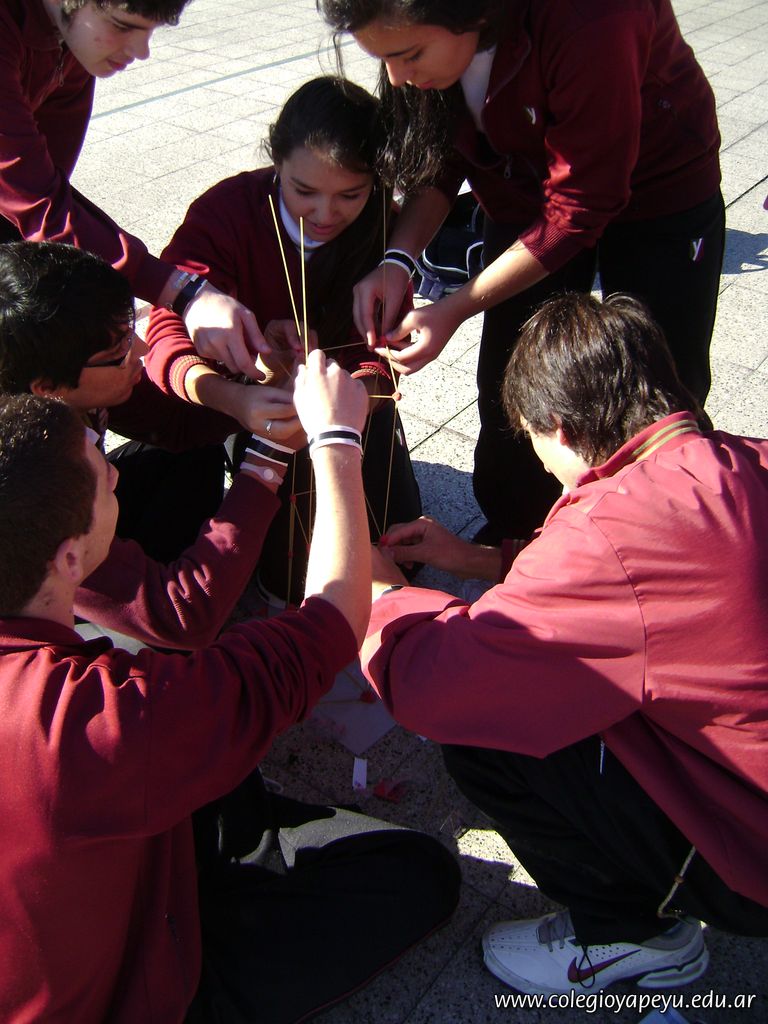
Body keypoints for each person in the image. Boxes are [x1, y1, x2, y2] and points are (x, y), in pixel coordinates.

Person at [0, 359, 460, 1022]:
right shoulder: (99, 722)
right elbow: (327, 627)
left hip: (97, 847)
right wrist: (337, 441)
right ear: (70, 559)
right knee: (420, 874)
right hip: (123, 986)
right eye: (103, 476)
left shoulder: (83, 706)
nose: (117, 473)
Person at [361, 293, 768, 996]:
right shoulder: (740, 460)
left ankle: (635, 937)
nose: (544, 467)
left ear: (559, 427)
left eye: (534, 442)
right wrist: (477, 560)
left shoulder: (611, 536)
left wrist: (375, 590)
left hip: (750, 860)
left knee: (487, 736)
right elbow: (652, 595)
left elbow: (431, 687)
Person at [318, 0, 724, 542]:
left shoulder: (594, 17)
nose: (397, 77)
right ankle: (518, 539)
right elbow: (441, 156)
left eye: (409, 54)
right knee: (510, 380)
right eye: (384, 58)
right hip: (522, 190)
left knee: (657, 380)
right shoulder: (428, 50)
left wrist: (454, 307)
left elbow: (579, 208)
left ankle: (654, 540)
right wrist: (397, 260)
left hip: (661, 192)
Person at [144, 75, 421, 601]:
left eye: (350, 194)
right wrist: (233, 394)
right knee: (275, 550)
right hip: (244, 401)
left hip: (349, 407)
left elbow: (383, 356)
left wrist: (350, 396)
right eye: (303, 191)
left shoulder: (383, 225)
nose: (324, 214)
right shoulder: (226, 212)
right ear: (276, 162)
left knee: (394, 537)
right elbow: (162, 328)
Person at [0, 0, 270, 375]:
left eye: (151, 30)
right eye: (124, 25)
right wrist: (181, 291)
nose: (142, 52)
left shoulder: (69, 39)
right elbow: (38, 202)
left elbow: (47, 187)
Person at [0, 241, 288, 561]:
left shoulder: (81, 382)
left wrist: (257, 384)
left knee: (198, 452)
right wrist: (267, 460)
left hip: (90, 512)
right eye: (119, 351)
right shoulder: (32, 492)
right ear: (48, 387)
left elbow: (176, 425)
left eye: (130, 333)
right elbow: (177, 597)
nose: (142, 349)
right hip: (78, 562)